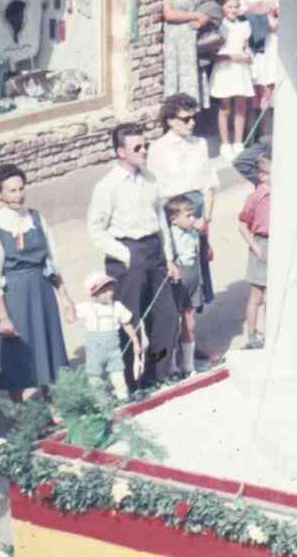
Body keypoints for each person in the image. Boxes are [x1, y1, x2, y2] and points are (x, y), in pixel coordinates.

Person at [87, 123, 181, 388]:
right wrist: (125, 254)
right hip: (127, 254)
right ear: (120, 152)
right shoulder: (107, 186)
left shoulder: (150, 178)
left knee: (166, 316)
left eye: (145, 146)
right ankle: (127, 382)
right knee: (128, 319)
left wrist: (170, 258)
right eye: (137, 148)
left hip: (154, 251)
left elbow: (161, 219)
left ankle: (156, 374)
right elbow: (95, 231)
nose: (144, 151)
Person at [0, 165, 74, 401]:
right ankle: (26, 412)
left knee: (48, 348)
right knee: (21, 354)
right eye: (11, 191)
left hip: (41, 291)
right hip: (14, 296)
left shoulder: (37, 218)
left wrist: (65, 297)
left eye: (21, 189)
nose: (18, 195)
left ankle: (54, 404)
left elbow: (52, 262)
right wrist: (3, 318)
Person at [148, 94, 218, 363]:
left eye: (194, 118)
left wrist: (206, 221)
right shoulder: (158, 149)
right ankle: (175, 345)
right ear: (170, 120)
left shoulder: (200, 144)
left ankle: (190, 340)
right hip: (174, 217)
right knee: (177, 276)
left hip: (197, 216)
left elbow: (209, 185)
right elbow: (158, 194)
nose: (192, 123)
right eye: (186, 119)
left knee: (196, 278)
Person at [235, 0, 281, 140]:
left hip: (272, 42)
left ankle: (267, 135)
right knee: (255, 89)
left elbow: (279, 14)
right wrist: (263, 14)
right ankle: (251, 137)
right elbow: (242, 15)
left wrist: (267, 13)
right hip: (255, 43)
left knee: (269, 88)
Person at [79, 272, 144, 400]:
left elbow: (126, 324)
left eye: (110, 289)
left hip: (114, 350)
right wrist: (66, 304)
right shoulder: (88, 308)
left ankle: (123, 397)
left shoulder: (117, 307)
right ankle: (101, 402)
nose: (109, 293)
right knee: (95, 376)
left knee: (118, 374)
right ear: (94, 295)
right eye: (103, 291)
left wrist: (135, 341)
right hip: (95, 351)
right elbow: (70, 317)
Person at [162, 0, 211, 109]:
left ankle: (192, 121)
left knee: (192, 80)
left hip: (193, 38)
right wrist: (195, 15)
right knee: (179, 80)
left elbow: (200, 1)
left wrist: (203, 17)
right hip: (177, 39)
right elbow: (168, 14)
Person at [211, 0, 254, 161]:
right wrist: (230, 57)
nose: (233, 10)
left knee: (241, 106)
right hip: (225, 68)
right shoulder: (220, 26)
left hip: (240, 69)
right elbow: (213, 53)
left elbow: (245, 47)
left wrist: (247, 56)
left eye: (236, 7)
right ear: (223, 7)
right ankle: (225, 144)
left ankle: (238, 142)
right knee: (225, 107)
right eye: (229, 7)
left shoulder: (244, 25)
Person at [165, 196, 202, 377]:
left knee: (190, 323)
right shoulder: (170, 237)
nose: (192, 219)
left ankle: (188, 365)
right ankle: (171, 366)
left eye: (193, 215)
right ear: (174, 219)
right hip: (178, 281)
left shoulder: (193, 232)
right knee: (174, 325)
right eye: (188, 216)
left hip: (193, 277)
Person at [237, 154, 271, 349]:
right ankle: (251, 334)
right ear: (263, 176)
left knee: (273, 293)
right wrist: (255, 246)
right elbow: (242, 224)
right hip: (262, 243)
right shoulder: (256, 197)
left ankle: (271, 330)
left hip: (279, 243)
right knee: (256, 295)